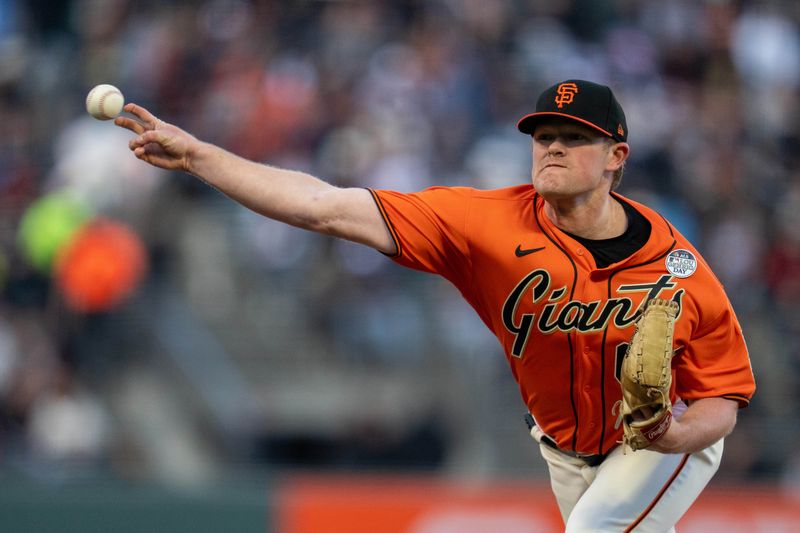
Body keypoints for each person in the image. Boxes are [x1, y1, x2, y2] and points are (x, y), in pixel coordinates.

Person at [116, 79, 755, 532]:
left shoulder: (679, 269)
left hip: (661, 443)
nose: (552, 147)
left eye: (573, 137)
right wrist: (201, 156)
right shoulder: (484, 224)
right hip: (566, 450)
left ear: (617, 158)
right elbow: (323, 205)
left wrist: (672, 433)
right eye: (543, 135)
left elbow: (722, 400)